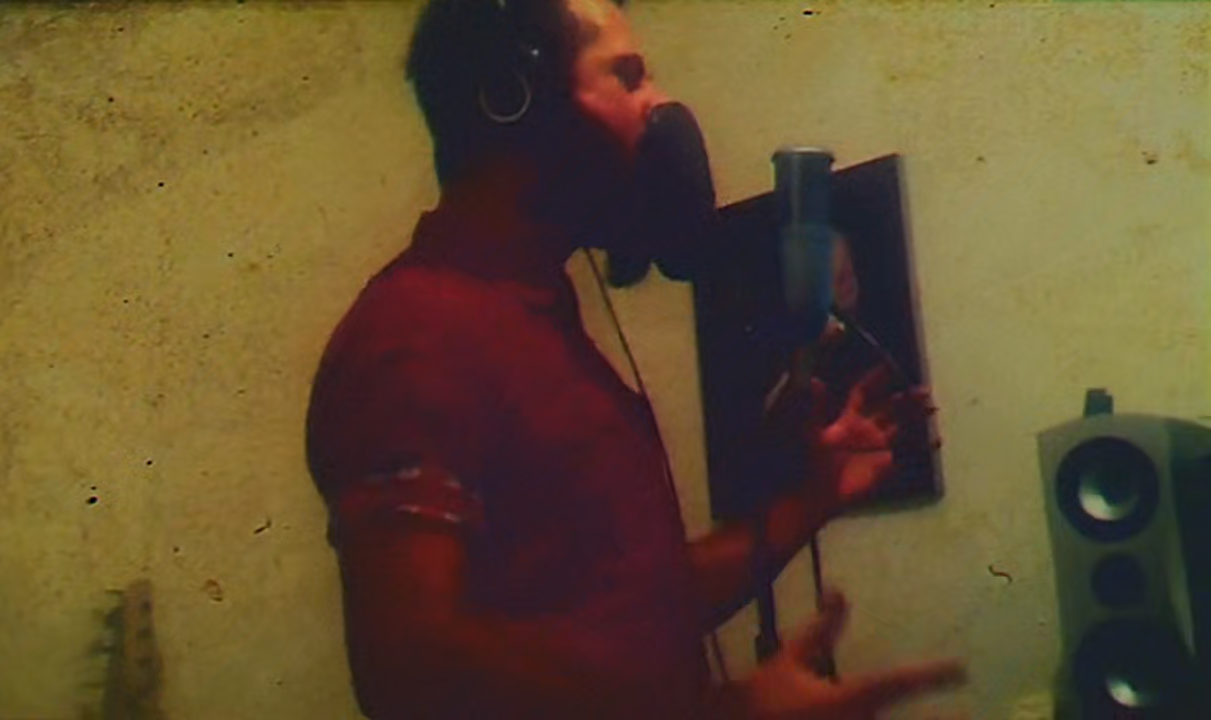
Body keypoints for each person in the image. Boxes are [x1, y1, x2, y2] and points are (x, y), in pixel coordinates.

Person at [305, 1, 966, 718]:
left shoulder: (537, 321)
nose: (661, 106)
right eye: (627, 77)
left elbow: (630, 612)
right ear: (515, 100)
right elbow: (411, 669)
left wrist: (811, 499)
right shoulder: (415, 332)